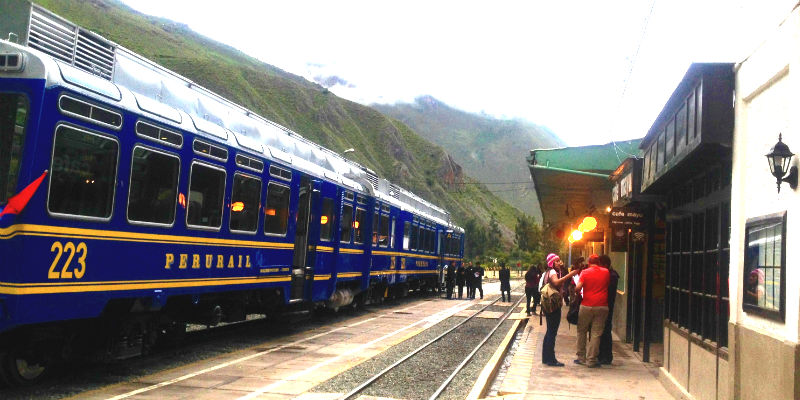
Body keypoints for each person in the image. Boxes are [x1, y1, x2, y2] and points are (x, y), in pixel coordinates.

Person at [541, 253, 578, 367]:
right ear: (551, 262)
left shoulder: (546, 272)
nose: (558, 263)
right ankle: (551, 359)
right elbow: (556, 282)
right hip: (553, 305)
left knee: (549, 332)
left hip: (548, 305)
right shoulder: (552, 272)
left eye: (558, 260)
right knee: (552, 332)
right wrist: (570, 275)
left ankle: (546, 357)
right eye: (556, 261)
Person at [574, 254, 610, 368]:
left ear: (589, 262)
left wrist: (577, 291)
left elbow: (578, 288)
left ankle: (581, 358)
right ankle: (591, 360)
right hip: (602, 306)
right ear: (599, 262)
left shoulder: (585, 272)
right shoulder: (606, 272)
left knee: (582, 331)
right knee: (596, 334)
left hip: (586, 305)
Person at [598, 254, 619, 365]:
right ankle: (603, 355)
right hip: (604, 305)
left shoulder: (612, 275)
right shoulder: (609, 274)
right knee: (603, 330)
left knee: (605, 330)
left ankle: (606, 356)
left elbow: (608, 292)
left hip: (607, 306)